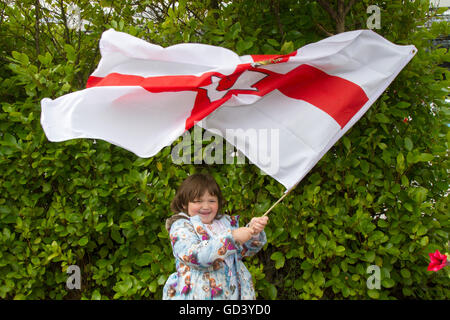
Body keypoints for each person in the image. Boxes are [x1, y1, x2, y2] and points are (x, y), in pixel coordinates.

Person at [162, 173, 268, 300]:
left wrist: (253, 231)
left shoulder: (226, 223)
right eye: (198, 201)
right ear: (185, 203)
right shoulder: (182, 226)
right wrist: (233, 237)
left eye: (212, 201)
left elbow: (244, 251)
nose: (206, 206)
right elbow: (196, 256)